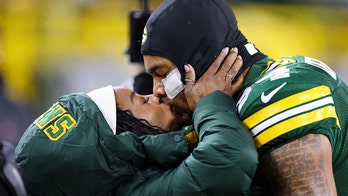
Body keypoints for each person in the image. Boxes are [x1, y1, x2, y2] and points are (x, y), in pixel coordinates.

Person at [137, 0, 348, 195]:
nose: (157, 90)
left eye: (163, 74)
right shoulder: (261, 85)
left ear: (198, 60)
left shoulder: (274, 97)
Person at [15, 50, 258, 195]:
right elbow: (229, 158)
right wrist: (212, 101)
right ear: (122, 140)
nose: (156, 94)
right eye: (141, 101)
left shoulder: (132, 178)